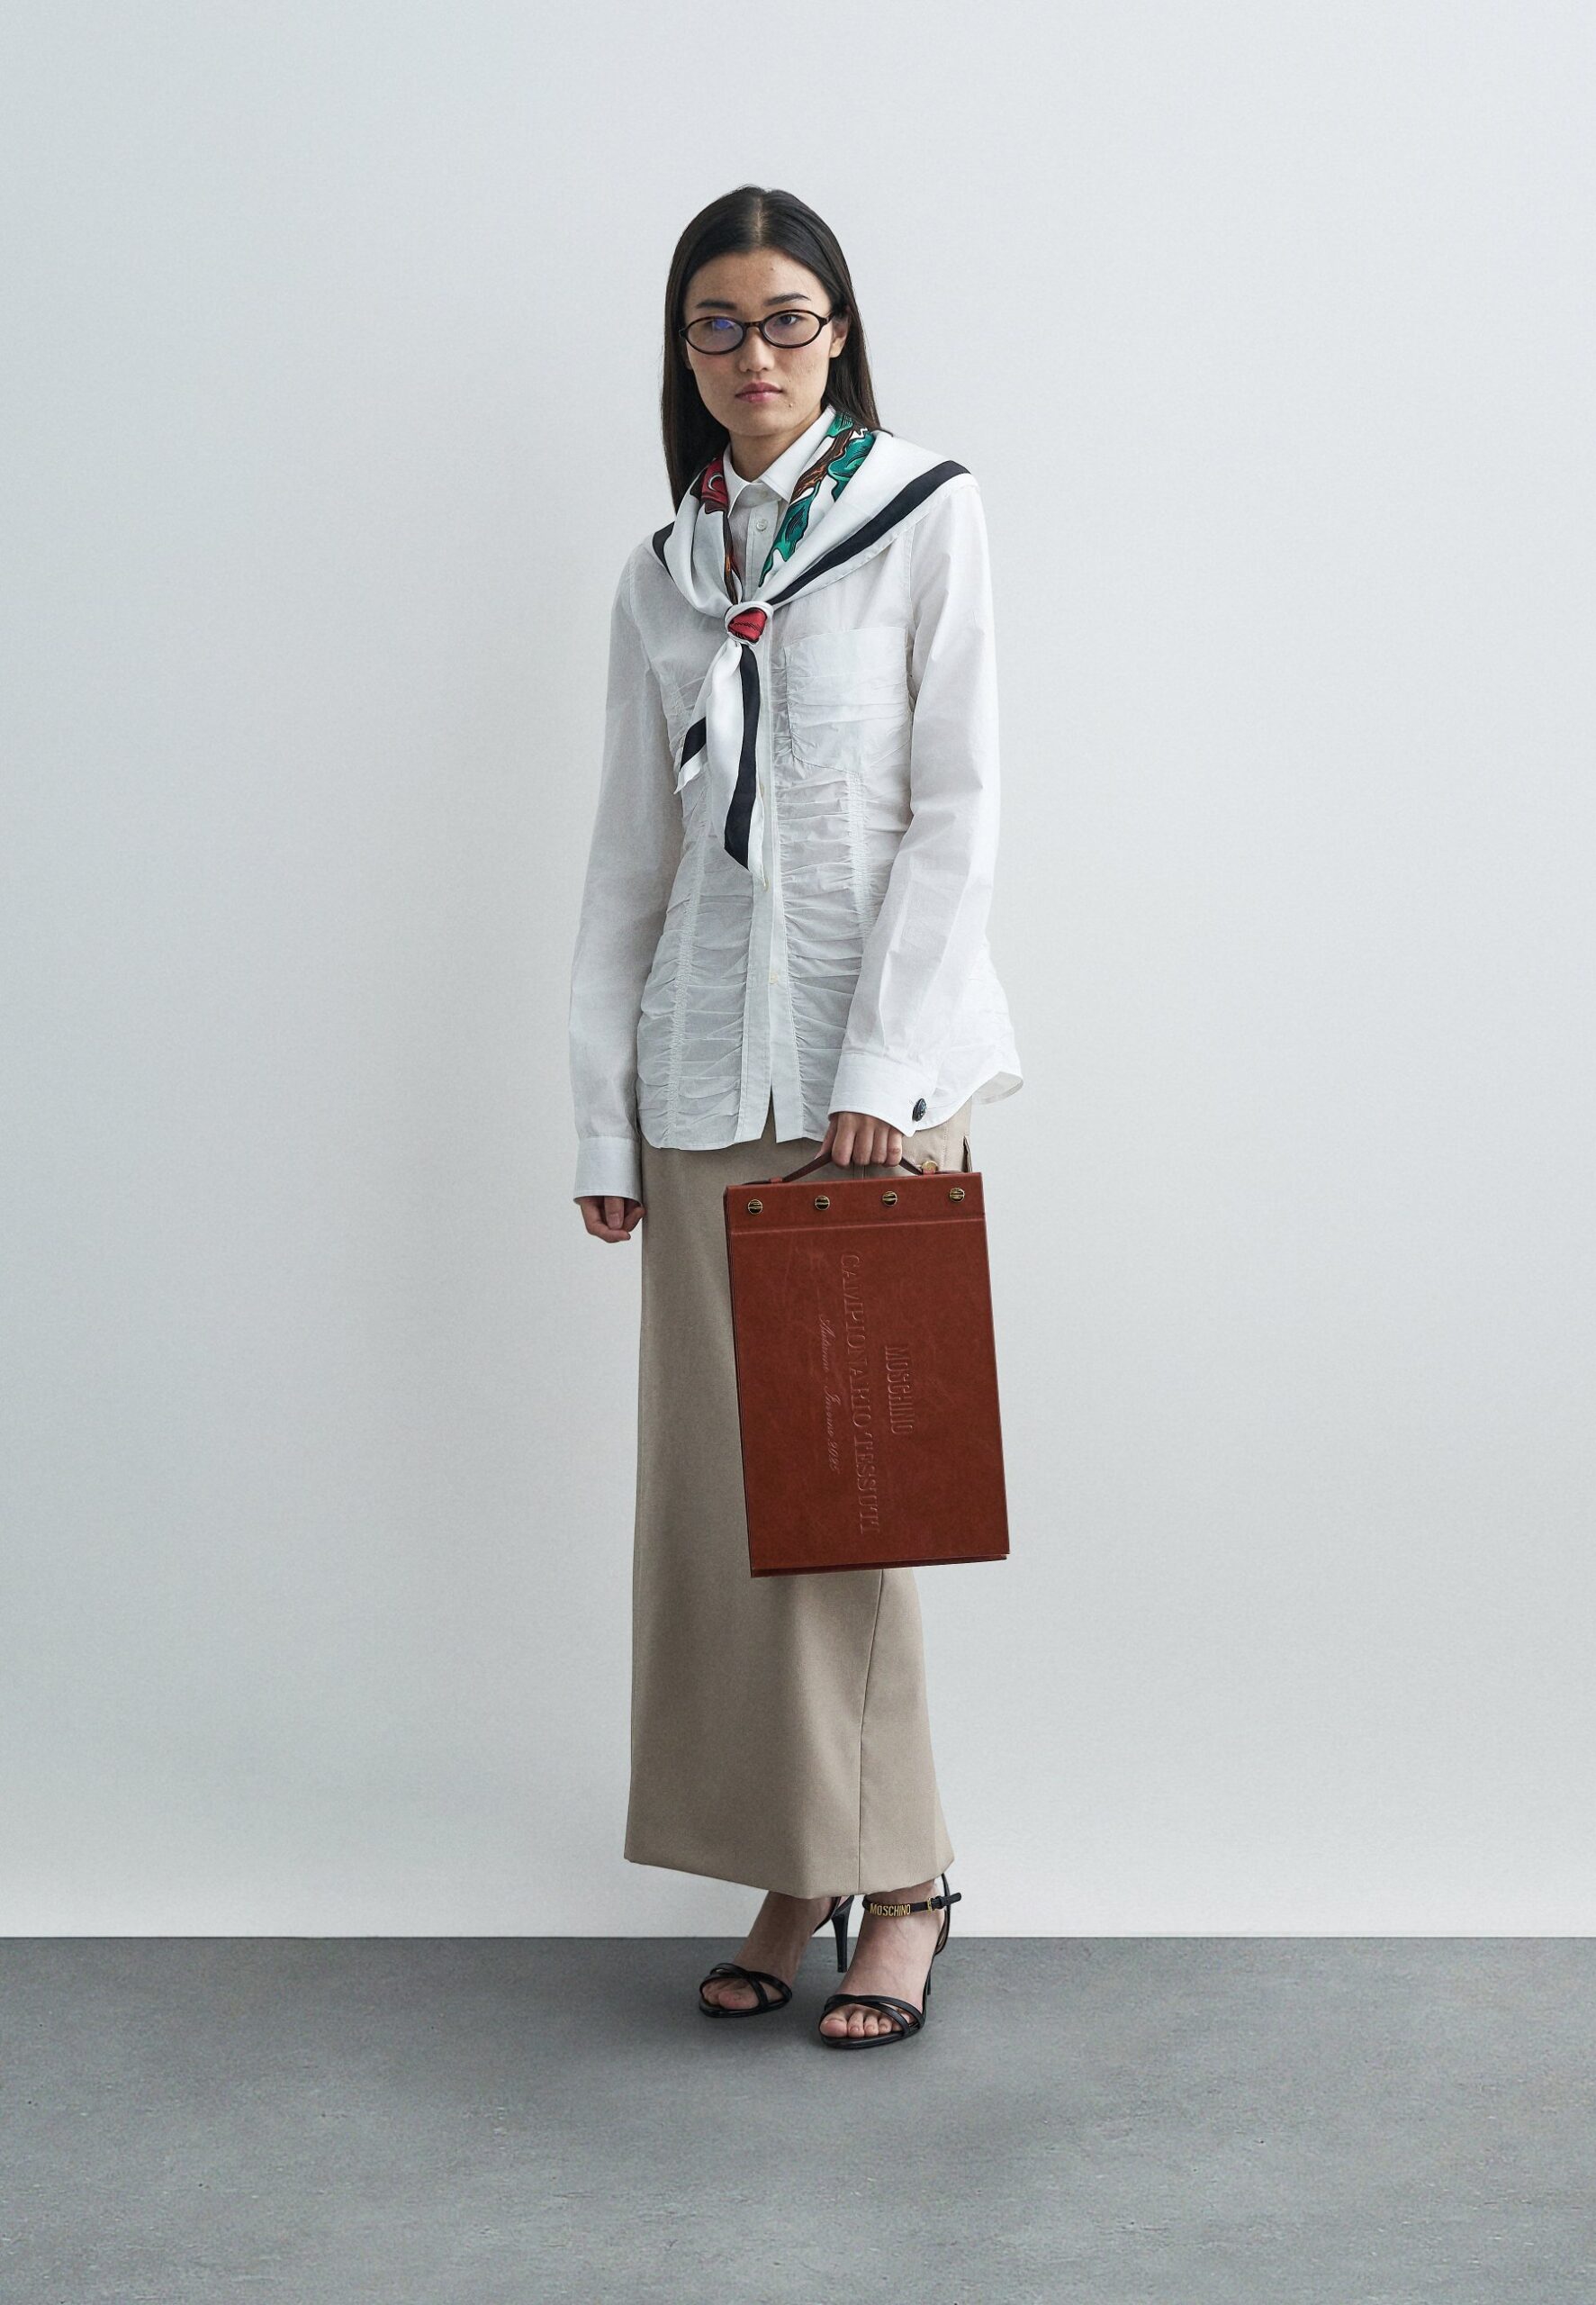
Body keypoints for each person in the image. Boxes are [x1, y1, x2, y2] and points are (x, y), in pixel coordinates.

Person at [566, 184, 1022, 2049]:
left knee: (853, 1506)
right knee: (728, 1516)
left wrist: (879, 1072)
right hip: (700, 1083)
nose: (750, 353)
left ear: (836, 331)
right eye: (714, 325)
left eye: (783, 318)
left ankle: (902, 1880)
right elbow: (633, 855)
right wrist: (602, 1116)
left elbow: (957, 809)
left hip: (865, 1091)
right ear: (682, 354)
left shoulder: (923, 512)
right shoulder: (664, 573)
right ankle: (791, 1858)